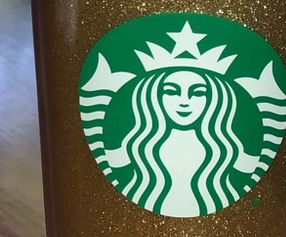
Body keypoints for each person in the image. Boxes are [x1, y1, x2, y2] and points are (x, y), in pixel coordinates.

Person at [105, 67, 260, 216]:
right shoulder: (135, 146)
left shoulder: (230, 149)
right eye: (171, 92)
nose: (184, 101)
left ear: (213, 99)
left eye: (198, 93)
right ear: (155, 97)